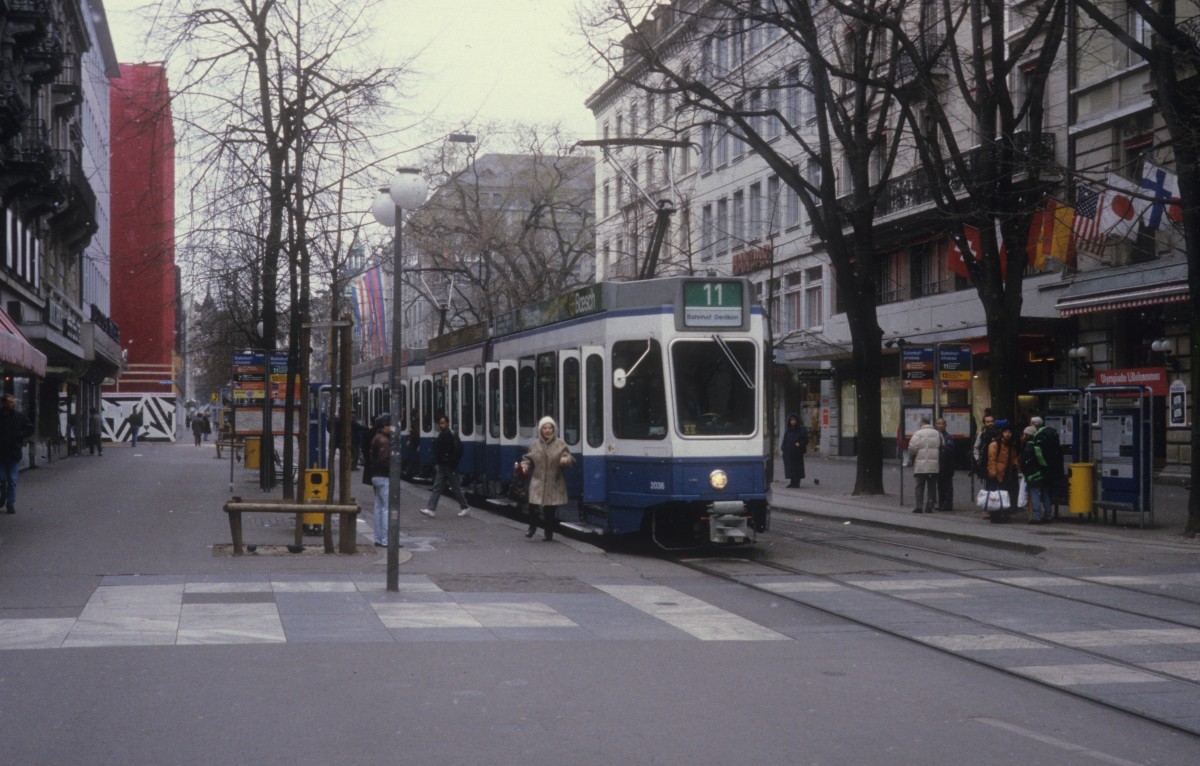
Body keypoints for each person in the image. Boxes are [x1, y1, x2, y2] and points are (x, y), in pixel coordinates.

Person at [521, 415, 574, 541]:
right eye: (545, 428)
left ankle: (548, 533)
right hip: (538, 480)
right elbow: (527, 459)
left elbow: (569, 457)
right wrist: (524, 466)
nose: (548, 430)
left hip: (554, 480)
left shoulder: (560, 444)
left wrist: (565, 460)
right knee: (533, 506)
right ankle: (532, 527)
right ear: (541, 430)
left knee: (550, 510)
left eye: (550, 428)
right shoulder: (535, 445)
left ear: (553, 429)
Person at [419, 414, 470, 518]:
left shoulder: (449, 434)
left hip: (448, 465)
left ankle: (465, 507)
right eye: (440, 423)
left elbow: (457, 450)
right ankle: (431, 508)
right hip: (444, 465)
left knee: (455, 487)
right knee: (438, 486)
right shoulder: (444, 434)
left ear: (447, 423)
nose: (441, 425)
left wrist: (451, 461)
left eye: (443, 423)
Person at [0, 393, 34, 514]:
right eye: (10, 402)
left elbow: (30, 428)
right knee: (2, 479)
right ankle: (2, 498)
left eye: (14, 402)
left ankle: (10, 503)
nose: (13, 404)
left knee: (12, 480)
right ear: (4, 403)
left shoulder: (19, 417)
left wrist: (19, 436)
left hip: (14, 453)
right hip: (1, 453)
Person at [367, 414, 393, 547]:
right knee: (386, 508)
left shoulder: (376, 438)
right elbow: (385, 460)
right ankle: (385, 540)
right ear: (384, 426)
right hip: (384, 477)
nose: (392, 428)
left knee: (378, 507)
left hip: (375, 476)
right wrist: (394, 469)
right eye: (390, 425)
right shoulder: (384, 440)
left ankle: (378, 538)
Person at [1019, 424, 1053, 524]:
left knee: (1035, 495)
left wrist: (1025, 472)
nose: (1023, 436)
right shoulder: (1040, 444)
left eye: (1025, 434)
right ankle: (1048, 515)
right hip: (1043, 472)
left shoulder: (1029, 447)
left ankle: (1036, 517)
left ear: (1029, 435)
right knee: (1045, 494)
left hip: (1033, 474)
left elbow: (1024, 462)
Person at [907, 416, 941, 513]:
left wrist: (914, 454)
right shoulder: (937, 433)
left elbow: (912, 448)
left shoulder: (918, 433)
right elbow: (941, 445)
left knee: (919, 486)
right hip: (933, 464)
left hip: (921, 465)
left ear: (922, 422)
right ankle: (929, 506)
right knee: (931, 486)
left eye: (919, 422)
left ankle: (919, 506)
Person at [985, 424, 1019, 521]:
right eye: (1005, 432)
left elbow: (1013, 458)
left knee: (1004, 495)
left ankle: (1002, 515)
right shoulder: (995, 444)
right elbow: (992, 460)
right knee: (997, 496)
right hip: (998, 474)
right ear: (1002, 433)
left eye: (1009, 432)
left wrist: (1016, 466)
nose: (1007, 434)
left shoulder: (1010, 444)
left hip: (1007, 474)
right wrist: (993, 473)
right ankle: (995, 516)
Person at [781, 413, 808, 488]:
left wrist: (800, 443)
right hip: (788, 452)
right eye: (791, 420)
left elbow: (805, 440)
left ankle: (797, 482)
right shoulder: (788, 430)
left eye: (794, 420)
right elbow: (785, 440)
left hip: (797, 452)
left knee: (797, 467)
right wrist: (783, 448)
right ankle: (792, 482)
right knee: (790, 467)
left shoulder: (801, 429)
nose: (793, 421)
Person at [934, 417, 955, 511]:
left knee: (947, 486)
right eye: (938, 423)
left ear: (945, 425)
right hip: (938, 465)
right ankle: (941, 503)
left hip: (946, 465)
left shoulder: (948, 437)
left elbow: (950, 449)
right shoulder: (935, 436)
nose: (940, 425)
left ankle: (947, 505)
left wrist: (942, 448)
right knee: (940, 486)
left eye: (941, 424)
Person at [972, 412, 998, 479]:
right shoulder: (982, 434)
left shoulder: (998, 433)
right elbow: (976, 447)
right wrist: (978, 460)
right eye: (988, 422)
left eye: (992, 421)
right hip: (985, 464)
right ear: (984, 423)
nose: (990, 423)